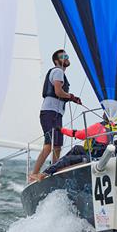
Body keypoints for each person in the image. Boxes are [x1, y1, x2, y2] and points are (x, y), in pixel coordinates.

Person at [29, 49, 82, 182]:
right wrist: (72, 97)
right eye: (63, 56)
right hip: (49, 112)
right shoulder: (58, 71)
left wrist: (71, 98)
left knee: (57, 146)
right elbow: (58, 92)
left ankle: (53, 172)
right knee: (49, 145)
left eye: (67, 55)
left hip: (55, 114)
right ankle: (33, 174)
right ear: (57, 61)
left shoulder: (61, 73)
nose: (66, 57)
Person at [38, 117, 115, 178]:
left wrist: (62, 130)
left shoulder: (99, 126)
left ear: (104, 116)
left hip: (93, 160)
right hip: (109, 160)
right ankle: (58, 167)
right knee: (77, 148)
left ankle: (45, 173)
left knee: (67, 159)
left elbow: (79, 134)